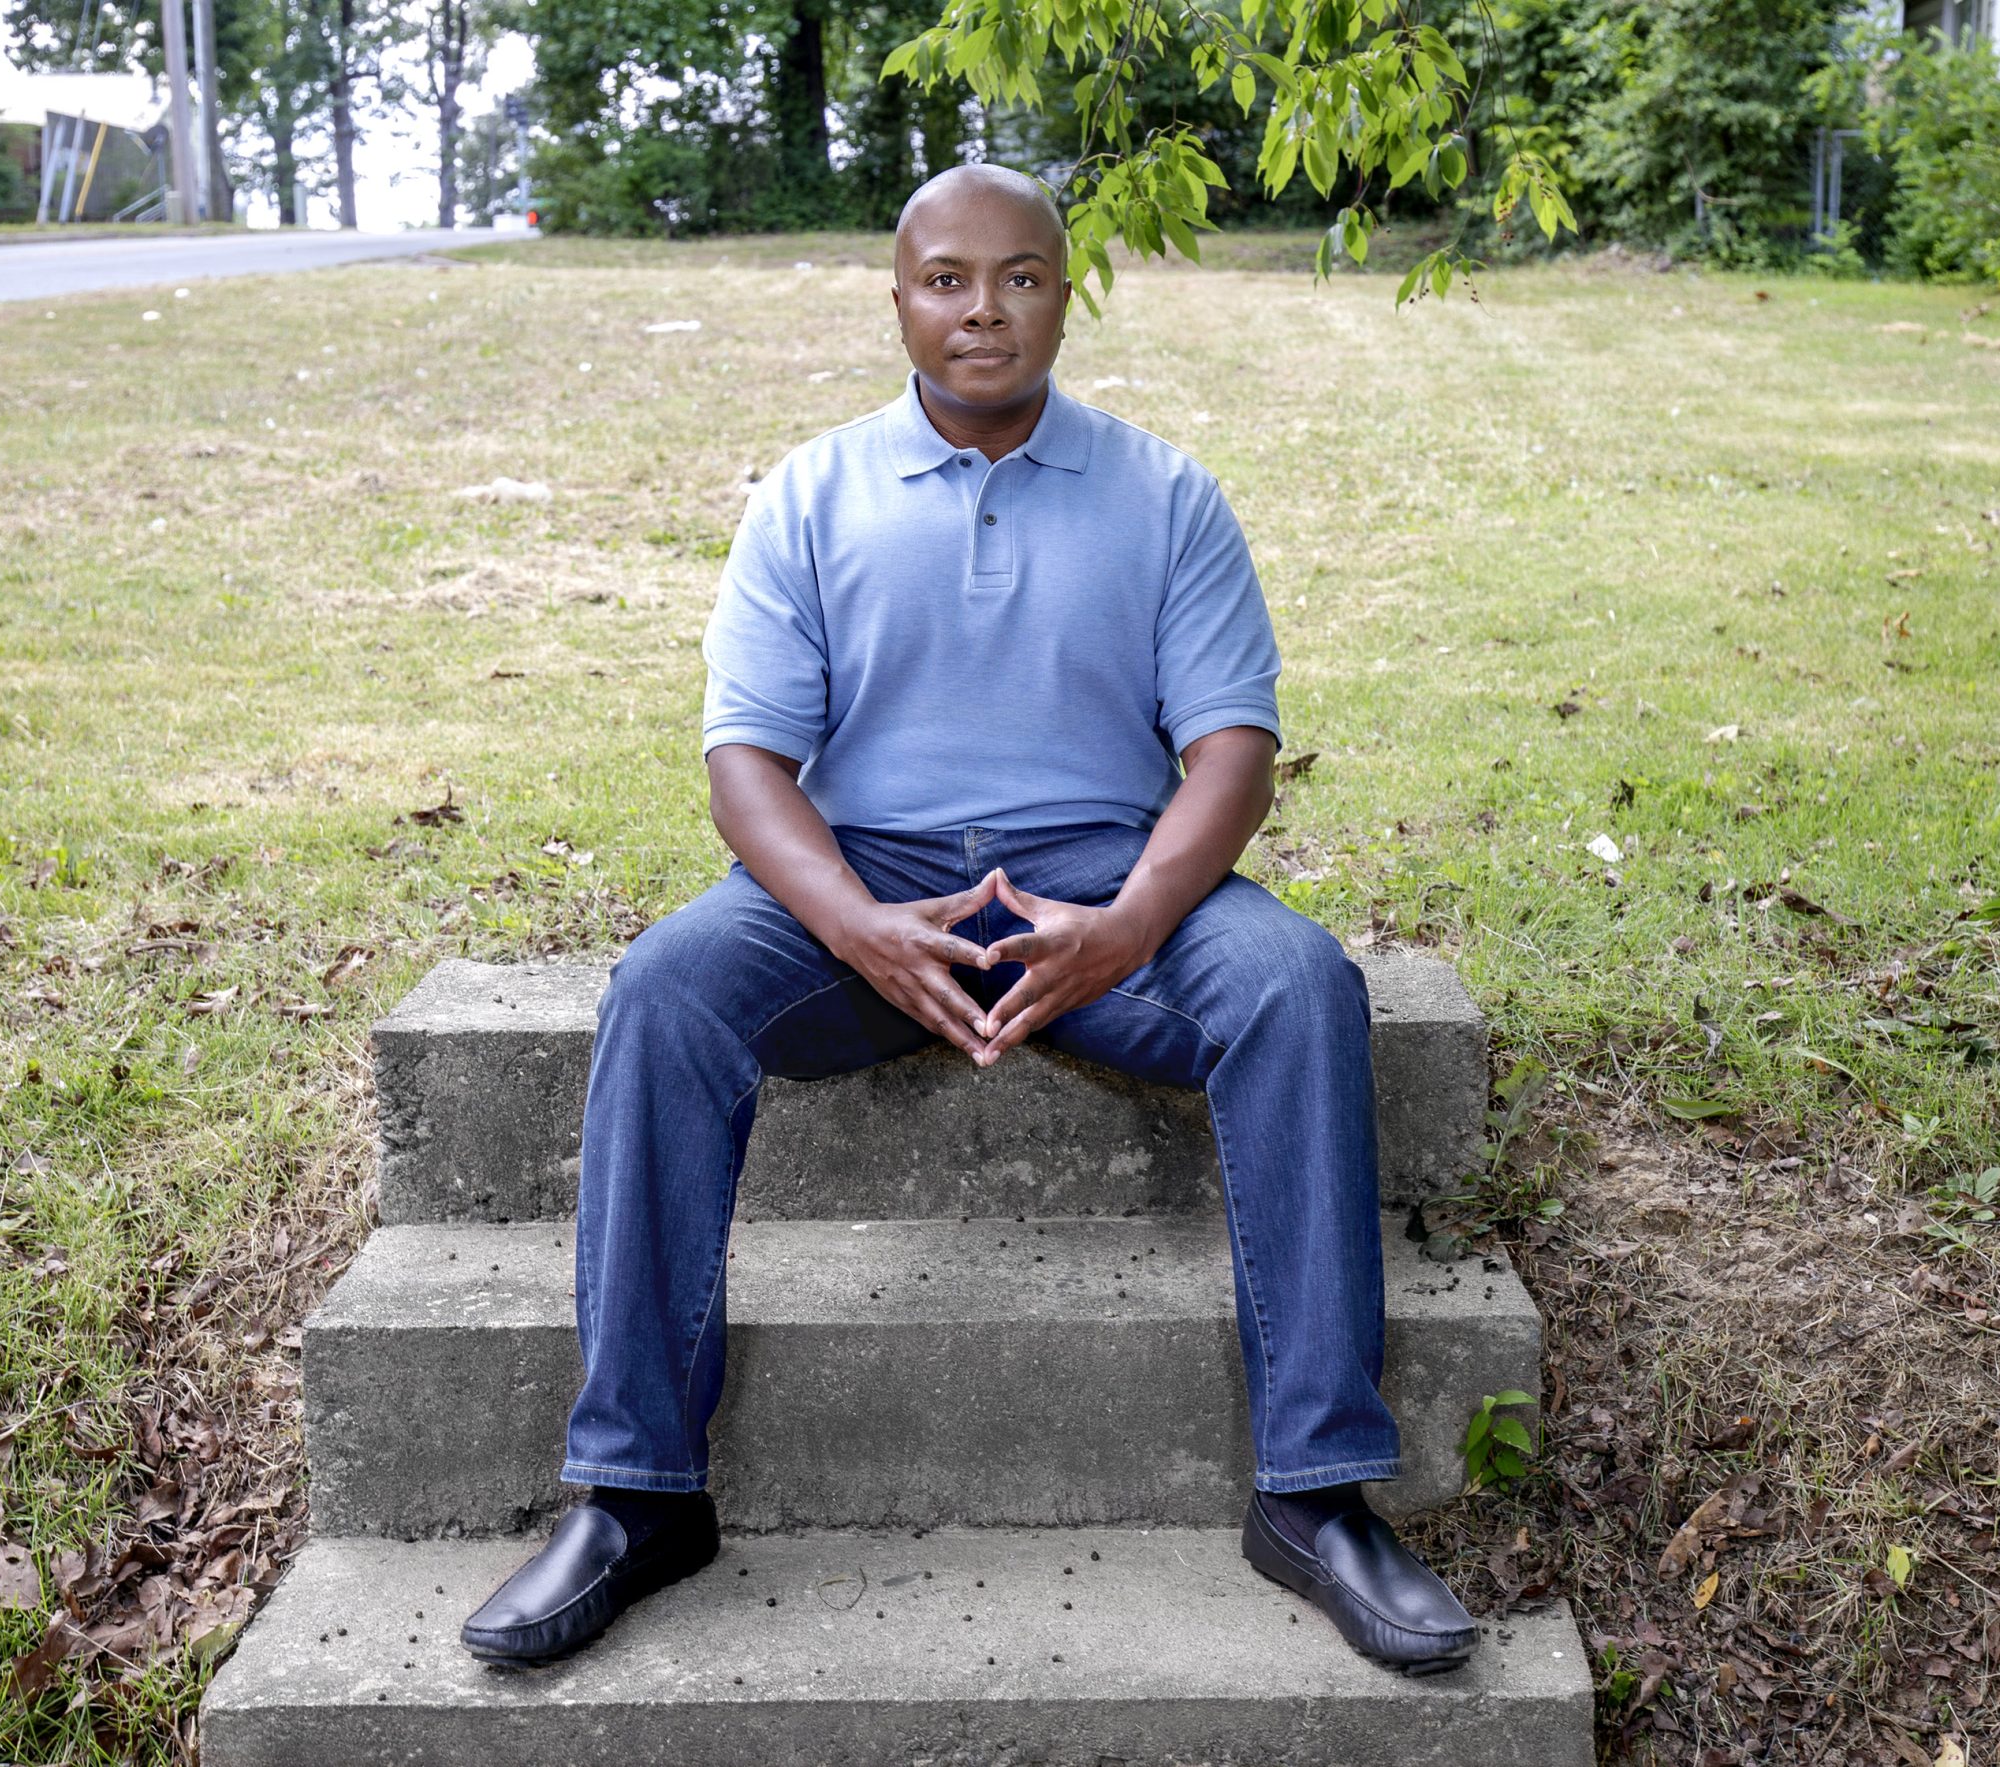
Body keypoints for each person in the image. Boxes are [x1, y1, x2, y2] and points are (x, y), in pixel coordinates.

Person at [458, 163, 1480, 1675]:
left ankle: (1318, 1495)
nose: (983, 308)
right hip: (862, 889)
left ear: (1066, 293)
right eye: (947, 279)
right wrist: (862, 931)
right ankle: (637, 1491)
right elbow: (746, 769)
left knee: (1296, 984)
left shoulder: (1167, 495)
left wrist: (1132, 925)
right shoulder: (809, 493)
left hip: (1108, 884)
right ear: (898, 298)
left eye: (1020, 277)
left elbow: (1233, 754)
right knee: (667, 990)